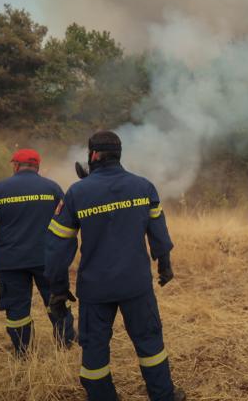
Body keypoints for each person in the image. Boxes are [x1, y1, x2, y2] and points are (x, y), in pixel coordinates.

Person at [44, 131, 186, 401]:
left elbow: (57, 248)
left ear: (93, 155)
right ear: (119, 154)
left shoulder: (77, 192)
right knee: (150, 342)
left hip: (95, 289)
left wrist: (58, 289)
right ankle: (163, 395)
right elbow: (159, 233)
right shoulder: (144, 186)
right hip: (136, 284)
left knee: (94, 347)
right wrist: (164, 266)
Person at [0, 148, 75, 357]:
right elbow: (68, 221)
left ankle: (23, 351)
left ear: (15, 166)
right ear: (37, 166)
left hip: (11, 261)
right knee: (56, 301)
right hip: (48, 259)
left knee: (16, 309)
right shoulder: (52, 188)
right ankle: (66, 346)